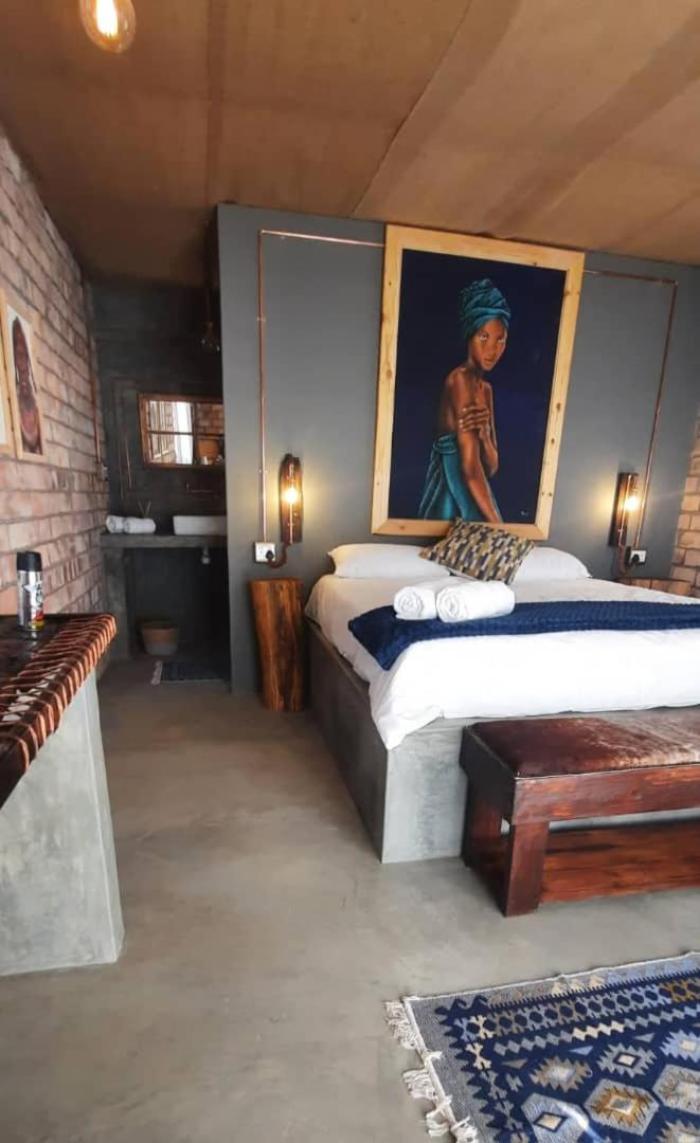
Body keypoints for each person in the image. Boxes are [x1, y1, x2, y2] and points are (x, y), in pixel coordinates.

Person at [418, 278, 510, 523]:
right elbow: (470, 469)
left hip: (476, 491)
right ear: (470, 334)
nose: (492, 349)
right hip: (453, 497)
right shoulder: (459, 379)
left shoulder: (486, 390)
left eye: (500, 339)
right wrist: (500, 527)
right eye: (484, 337)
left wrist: (485, 435)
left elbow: (491, 467)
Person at [11, 316, 43, 456]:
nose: (22, 360)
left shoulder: (34, 393)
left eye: (24, 354)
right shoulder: (16, 394)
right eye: (18, 354)